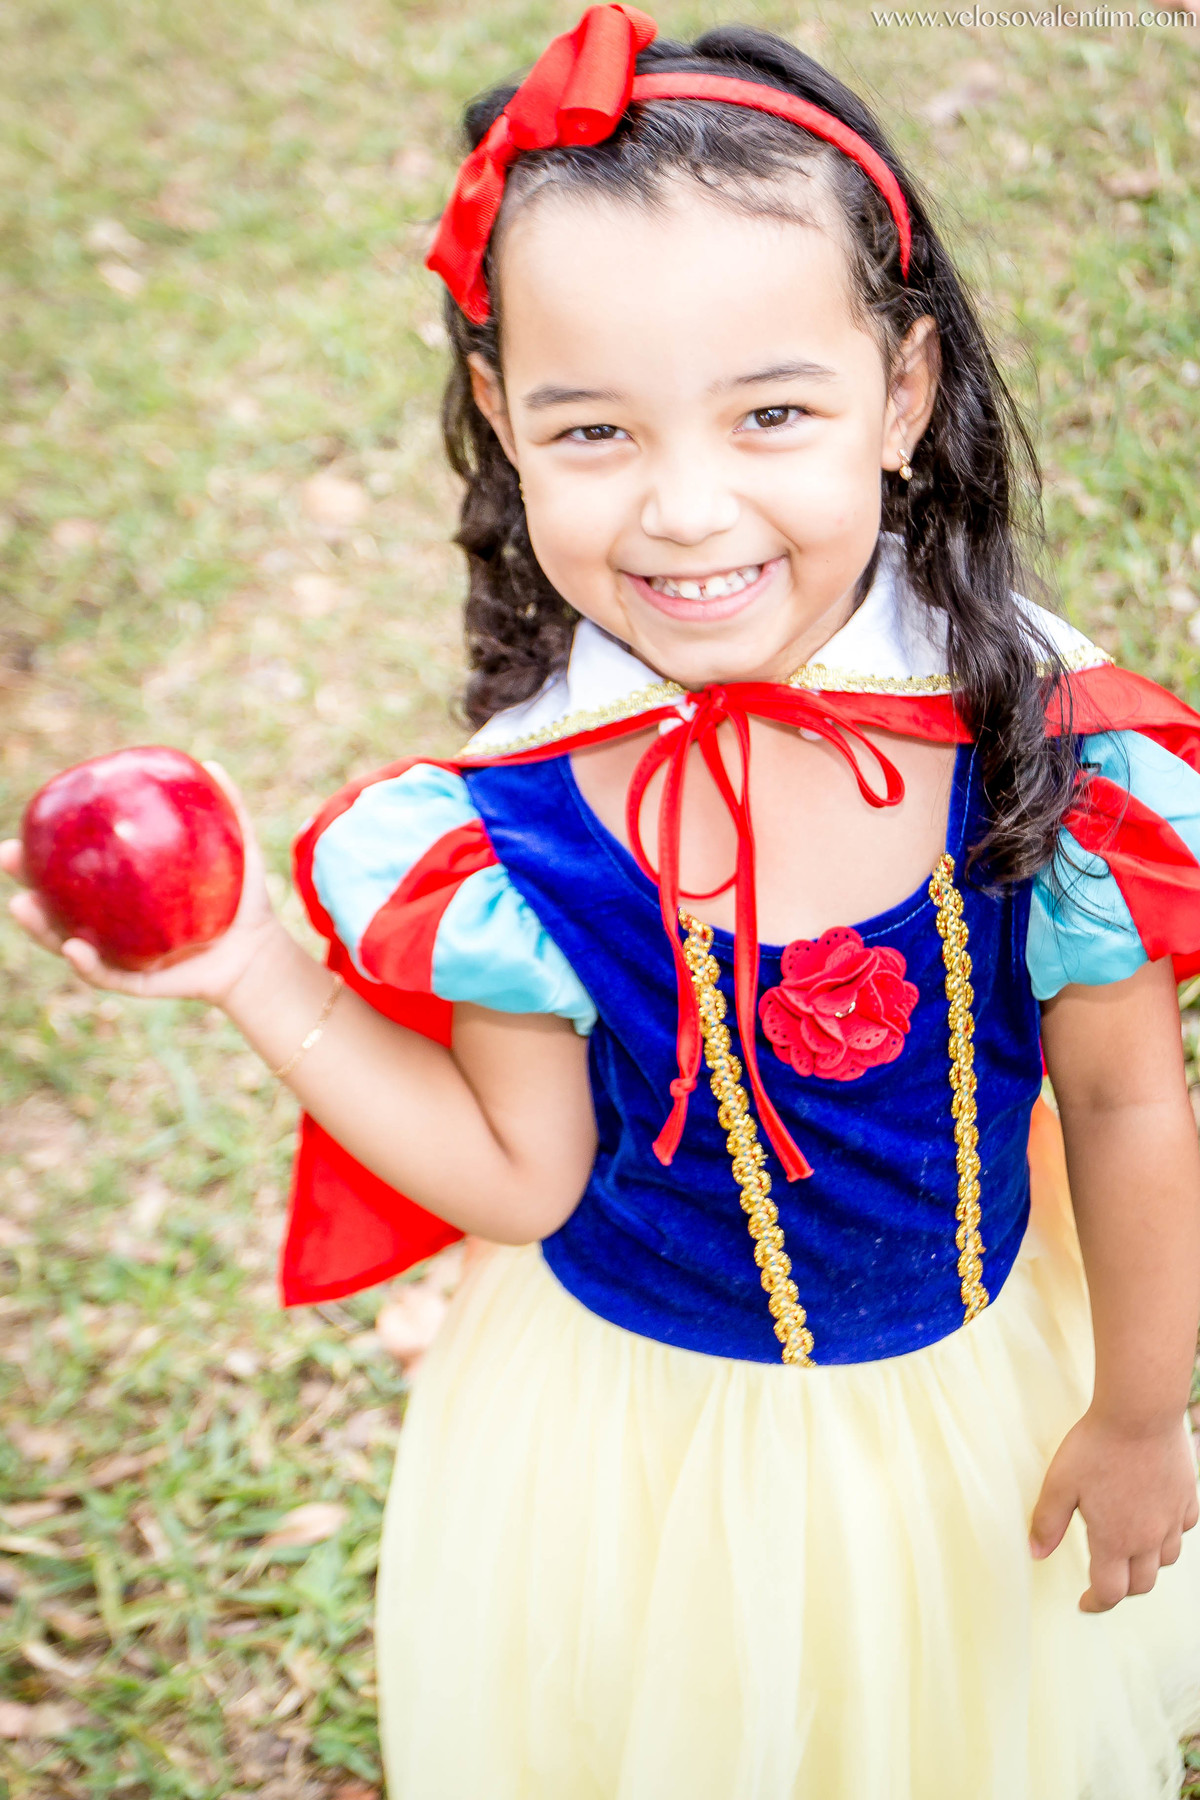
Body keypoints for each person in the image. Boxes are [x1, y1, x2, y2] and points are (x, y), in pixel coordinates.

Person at [6, 6, 1200, 1794]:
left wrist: (1138, 1407)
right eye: (595, 430)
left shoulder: (1050, 755)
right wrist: (252, 960)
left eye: (772, 409)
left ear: (904, 393)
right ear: (501, 417)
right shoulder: (521, 825)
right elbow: (520, 1177)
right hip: (627, 1457)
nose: (686, 506)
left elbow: (1118, 1096)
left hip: (963, 1420)